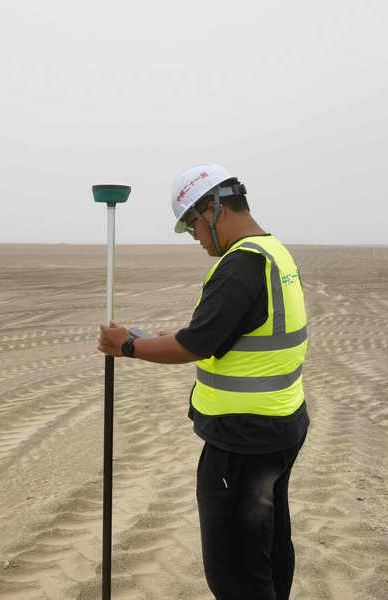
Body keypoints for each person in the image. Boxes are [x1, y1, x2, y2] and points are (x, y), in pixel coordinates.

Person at [97, 163, 309, 600]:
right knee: (268, 545)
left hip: (242, 442)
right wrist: (164, 339)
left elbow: (196, 344)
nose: (196, 237)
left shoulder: (239, 266)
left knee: (236, 571)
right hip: (280, 426)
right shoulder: (274, 253)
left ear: (213, 209)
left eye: (193, 225)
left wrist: (128, 346)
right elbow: (233, 332)